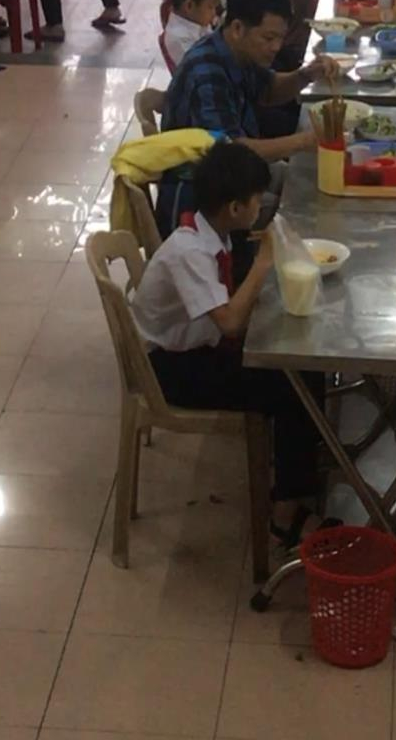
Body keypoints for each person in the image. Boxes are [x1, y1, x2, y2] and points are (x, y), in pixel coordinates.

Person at [131, 140, 328, 542]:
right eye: (257, 200)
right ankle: (285, 511)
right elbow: (231, 323)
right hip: (170, 369)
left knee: (301, 363)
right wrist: (264, 263)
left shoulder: (210, 231)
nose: (262, 206)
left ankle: (302, 461)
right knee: (295, 381)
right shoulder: (189, 252)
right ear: (235, 208)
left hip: (195, 348)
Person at [158, 0, 337, 234]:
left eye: (280, 38)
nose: (276, 47)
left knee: (306, 181)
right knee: (303, 212)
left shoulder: (236, 51)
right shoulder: (207, 71)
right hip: (202, 197)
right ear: (238, 28)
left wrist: (306, 75)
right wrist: (304, 141)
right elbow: (233, 151)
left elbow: (269, 90)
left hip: (233, 173)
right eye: (269, 38)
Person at [163, 0, 224, 69]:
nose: (214, 13)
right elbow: (208, 69)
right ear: (189, 6)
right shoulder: (180, 40)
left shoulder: (197, 20)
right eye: (211, 6)